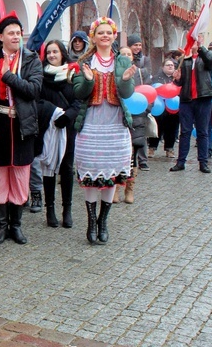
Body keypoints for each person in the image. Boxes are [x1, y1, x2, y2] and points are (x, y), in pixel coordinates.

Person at [0, 11, 42, 245]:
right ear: (0, 36)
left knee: (20, 176)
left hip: (22, 126)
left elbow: (34, 90)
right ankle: (1, 226)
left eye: (18, 33)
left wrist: (8, 77)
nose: (16, 36)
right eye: (11, 33)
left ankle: (16, 226)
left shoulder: (32, 60)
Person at [72, 17, 135, 245]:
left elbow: (127, 94)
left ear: (114, 36)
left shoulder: (122, 62)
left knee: (111, 175)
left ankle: (103, 221)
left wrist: (126, 81)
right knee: (91, 174)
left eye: (109, 32)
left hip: (116, 126)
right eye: (101, 33)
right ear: (94, 37)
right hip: (91, 125)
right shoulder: (84, 61)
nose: (105, 36)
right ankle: (90, 222)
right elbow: (79, 92)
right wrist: (88, 81)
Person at [39, 40, 80, 228]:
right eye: (49, 52)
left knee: (66, 168)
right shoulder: (41, 75)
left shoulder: (72, 74)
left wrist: (68, 116)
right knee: (49, 167)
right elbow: (38, 100)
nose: (52, 55)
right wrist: (53, 113)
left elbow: (79, 101)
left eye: (55, 51)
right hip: (50, 126)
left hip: (68, 127)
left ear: (62, 53)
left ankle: (67, 209)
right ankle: (50, 209)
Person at [169, 35, 212, 173]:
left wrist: (202, 47)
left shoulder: (207, 56)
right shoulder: (184, 60)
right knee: (185, 132)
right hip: (186, 100)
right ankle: (180, 162)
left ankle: (203, 162)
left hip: (203, 98)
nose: (193, 44)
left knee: (202, 132)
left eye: (195, 42)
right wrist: (177, 79)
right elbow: (180, 82)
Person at [116, 46, 146, 204]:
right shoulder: (115, 72)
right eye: (123, 54)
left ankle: (129, 189)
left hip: (136, 119)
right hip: (119, 117)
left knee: (132, 156)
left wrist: (143, 110)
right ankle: (115, 188)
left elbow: (149, 95)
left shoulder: (141, 73)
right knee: (116, 155)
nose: (127, 56)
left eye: (129, 54)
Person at [126, 34, 151, 170]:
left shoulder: (144, 61)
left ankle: (142, 160)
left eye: (139, 45)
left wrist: (148, 106)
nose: (137, 47)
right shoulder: (123, 62)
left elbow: (148, 84)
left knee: (141, 133)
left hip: (140, 101)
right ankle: (128, 159)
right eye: (135, 45)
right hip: (127, 100)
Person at [148, 58, 179, 158]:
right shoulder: (156, 78)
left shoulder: (178, 79)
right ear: (163, 67)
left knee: (172, 129)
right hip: (159, 108)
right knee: (157, 128)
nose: (170, 66)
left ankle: (169, 149)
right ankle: (152, 148)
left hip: (173, 109)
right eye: (168, 65)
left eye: (172, 65)